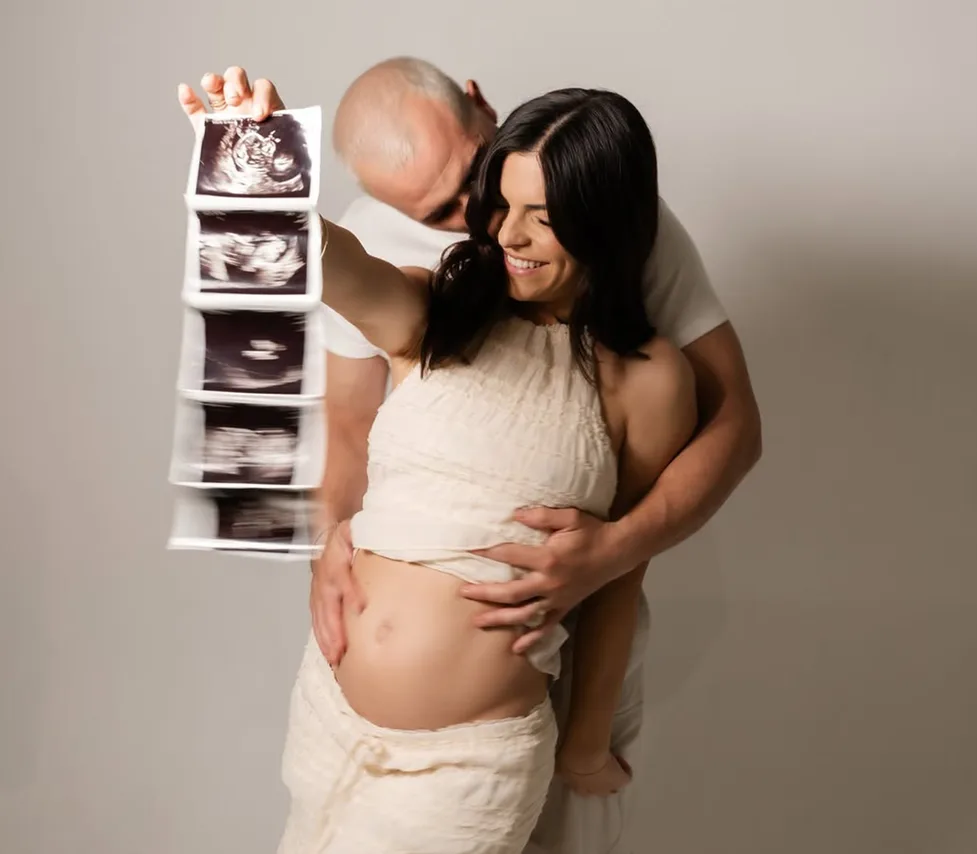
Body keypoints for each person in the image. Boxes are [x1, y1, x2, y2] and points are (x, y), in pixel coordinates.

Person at [179, 60, 761, 854]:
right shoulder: (440, 302)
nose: (501, 234)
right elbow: (339, 277)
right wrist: (268, 179)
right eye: (501, 207)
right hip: (327, 718)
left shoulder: (650, 378)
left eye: (541, 217)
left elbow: (620, 568)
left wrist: (586, 743)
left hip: (462, 772)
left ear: (606, 222)